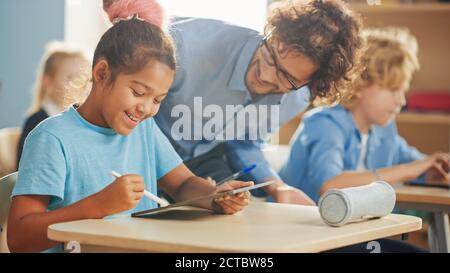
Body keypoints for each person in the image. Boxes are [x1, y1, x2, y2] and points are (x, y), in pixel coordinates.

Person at [8, 1, 252, 253]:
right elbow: (18, 238)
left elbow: (182, 184)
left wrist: (214, 196)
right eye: (138, 92)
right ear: (101, 74)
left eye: (158, 99)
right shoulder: (52, 138)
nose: (146, 108)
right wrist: (98, 205)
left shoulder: (143, 129)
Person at [103, 0, 364, 205]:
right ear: (272, 33)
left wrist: (277, 187)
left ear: (310, 83)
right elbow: (125, 109)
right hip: (143, 149)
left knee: (237, 215)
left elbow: (244, 142)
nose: (266, 75)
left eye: (286, 77)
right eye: (271, 54)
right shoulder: (184, 46)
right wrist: (187, 182)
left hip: (204, 160)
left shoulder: (297, 97)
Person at [280, 27, 450, 204]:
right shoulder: (325, 125)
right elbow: (330, 186)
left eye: (403, 91)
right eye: (393, 90)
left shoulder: (383, 130)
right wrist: (408, 170)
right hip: (299, 226)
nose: (402, 101)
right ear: (359, 84)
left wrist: (432, 172)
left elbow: (418, 165)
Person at [16, 41, 89, 168]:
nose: (79, 85)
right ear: (48, 81)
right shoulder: (36, 123)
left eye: (83, 78)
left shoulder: (83, 122)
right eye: (71, 77)